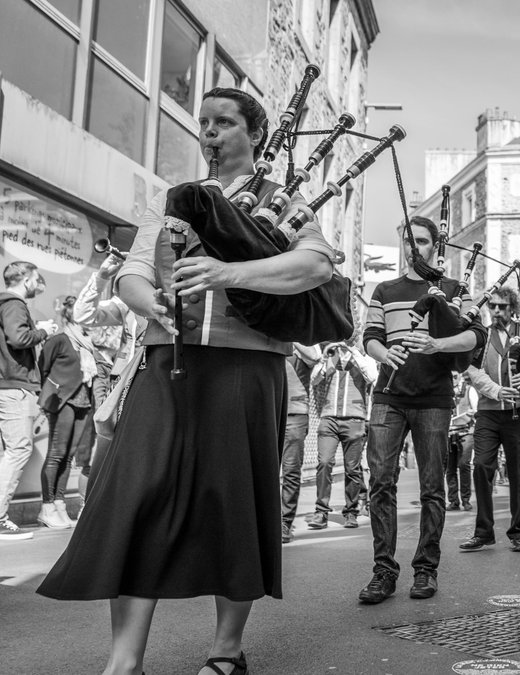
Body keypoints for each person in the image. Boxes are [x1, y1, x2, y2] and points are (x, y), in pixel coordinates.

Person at [37, 87, 338, 675]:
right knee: (134, 500)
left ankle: (227, 652)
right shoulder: (173, 199)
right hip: (165, 366)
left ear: (255, 133)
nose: (209, 132)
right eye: (204, 122)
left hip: (247, 370)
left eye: (224, 122)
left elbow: (317, 266)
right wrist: (152, 304)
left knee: (235, 506)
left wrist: (230, 270)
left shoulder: (286, 199)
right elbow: (133, 273)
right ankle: (124, 662)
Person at [360, 215, 486, 603]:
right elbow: (370, 337)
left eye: (423, 241)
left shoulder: (454, 288)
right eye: (409, 241)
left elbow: (474, 336)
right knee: (381, 480)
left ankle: (426, 569)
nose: (416, 247)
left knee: (433, 487)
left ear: (435, 245)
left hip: (434, 397)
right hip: (389, 394)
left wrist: (437, 346)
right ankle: (384, 571)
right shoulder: (384, 289)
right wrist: (385, 354)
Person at [460, 286, 520, 554]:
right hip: (488, 411)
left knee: (519, 473)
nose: (496, 310)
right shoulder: (481, 336)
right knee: (481, 467)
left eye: (502, 306)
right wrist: (495, 390)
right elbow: (471, 370)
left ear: (513, 308)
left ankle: (516, 531)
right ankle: (483, 532)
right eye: (493, 306)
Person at [73, 251, 146, 503]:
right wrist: (102, 277)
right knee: (113, 450)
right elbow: (83, 315)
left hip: (168, 385)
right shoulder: (128, 303)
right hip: (130, 385)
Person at [0, 262, 52, 541]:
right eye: (35, 278)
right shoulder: (14, 304)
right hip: (13, 386)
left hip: (5, 386)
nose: (37, 284)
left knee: (8, 452)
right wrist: (42, 330)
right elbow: (19, 338)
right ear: (26, 279)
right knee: (18, 449)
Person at [36, 296, 97, 529]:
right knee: (56, 454)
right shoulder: (61, 339)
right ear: (73, 314)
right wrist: (48, 394)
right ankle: (47, 506)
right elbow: (44, 366)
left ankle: (59, 504)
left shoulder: (87, 341)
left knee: (69, 456)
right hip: (63, 400)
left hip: (83, 402)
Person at [307, 342, 372, 530]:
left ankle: (351, 512)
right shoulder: (329, 356)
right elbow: (314, 380)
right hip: (329, 419)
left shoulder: (362, 357)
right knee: (324, 462)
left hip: (355, 419)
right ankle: (320, 512)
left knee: (352, 469)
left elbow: (372, 377)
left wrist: (354, 353)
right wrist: (326, 358)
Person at [280, 344, 319, 543]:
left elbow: (315, 355)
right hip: (267, 410)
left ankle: (285, 521)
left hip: (295, 414)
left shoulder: (300, 345)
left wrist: (290, 332)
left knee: (290, 470)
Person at [447, 374, 476, 511]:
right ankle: (453, 501)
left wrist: (471, 412)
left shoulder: (469, 390)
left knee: (464, 464)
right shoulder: (446, 389)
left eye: (455, 376)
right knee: (450, 468)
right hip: (450, 433)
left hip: (466, 432)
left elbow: (476, 409)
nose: (453, 378)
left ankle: (466, 499)